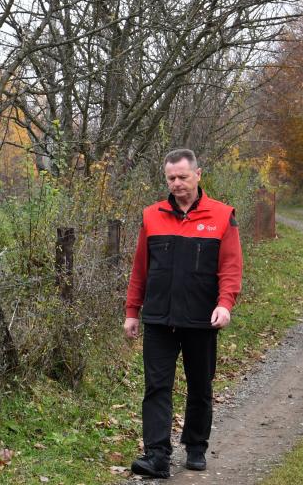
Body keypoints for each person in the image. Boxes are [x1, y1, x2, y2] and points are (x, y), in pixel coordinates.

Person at [124, 149, 243, 479]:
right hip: (159, 319)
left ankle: (195, 446)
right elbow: (140, 269)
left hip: (201, 319)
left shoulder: (221, 216)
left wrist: (225, 304)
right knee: (157, 387)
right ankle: (157, 455)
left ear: (198, 175)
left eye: (182, 177)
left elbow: (231, 267)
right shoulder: (152, 216)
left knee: (200, 386)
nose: (176, 184)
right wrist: (132, 311)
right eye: (171, 178)